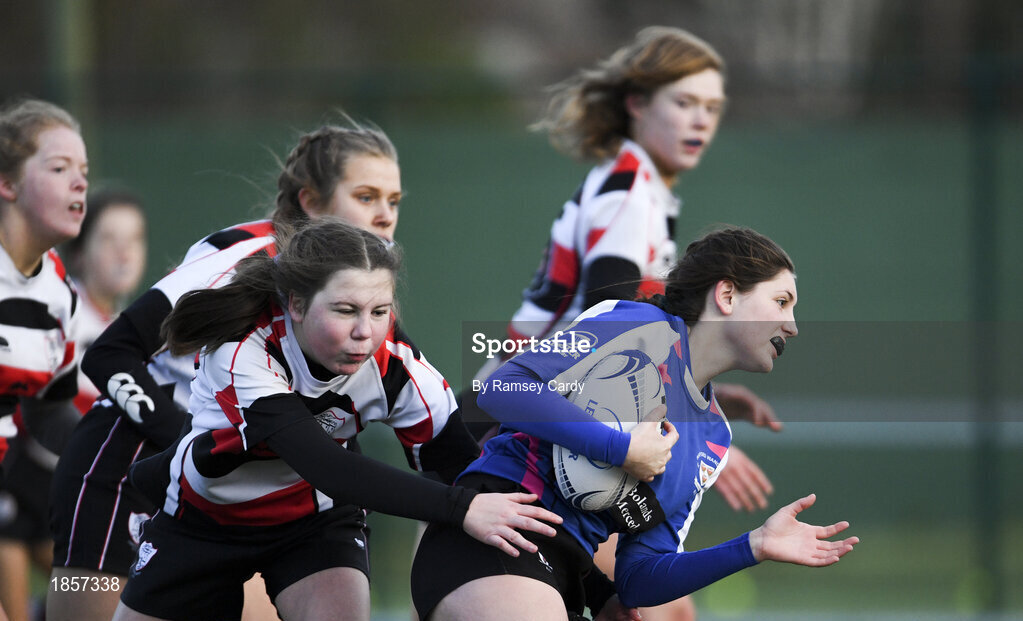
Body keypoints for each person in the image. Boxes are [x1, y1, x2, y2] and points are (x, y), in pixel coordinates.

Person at [47, 121, 550, 621]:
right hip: (137, 455)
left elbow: (421, 448)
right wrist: (190, 437)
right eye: (367, 196)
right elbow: (109, 354)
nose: (383, 218)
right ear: (311, 202)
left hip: (263, 470)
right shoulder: (245, 271)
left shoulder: (366, 323)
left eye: (393, 202)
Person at [463, 26, 778, 620]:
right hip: (516, 422)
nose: (701, 121)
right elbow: (602, 321)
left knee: (649, 605)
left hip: (534, 412)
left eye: (712, 107)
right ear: (636, 104)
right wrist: (696, 439)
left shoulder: (643, 191)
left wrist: (711, 390)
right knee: (660, 610)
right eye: (684, 103)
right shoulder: (632, 195)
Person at [412, 227, 859, 620]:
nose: (793, 325)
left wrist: (753, 546)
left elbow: (639, 578)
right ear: (726, 296)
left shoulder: (714, 437)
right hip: (493, 536)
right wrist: (619, 449)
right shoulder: (639, 325)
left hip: (566, 574)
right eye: (781, 301)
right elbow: (501, 388)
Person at [0, 187, 146, 621]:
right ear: (79, 253)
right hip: (24, 488)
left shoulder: (133, 329)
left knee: (97, 591)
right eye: (108, 239)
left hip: (78, 500)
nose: (124, 253)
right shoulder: (55, 309)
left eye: (135, 239)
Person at [0, 98, 89, 621]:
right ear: (7, 184)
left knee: (96, 592)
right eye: (59, 169)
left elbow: (49, 409)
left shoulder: (60, 293)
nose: (79, 183)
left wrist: (117, 456)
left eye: (84, 171)